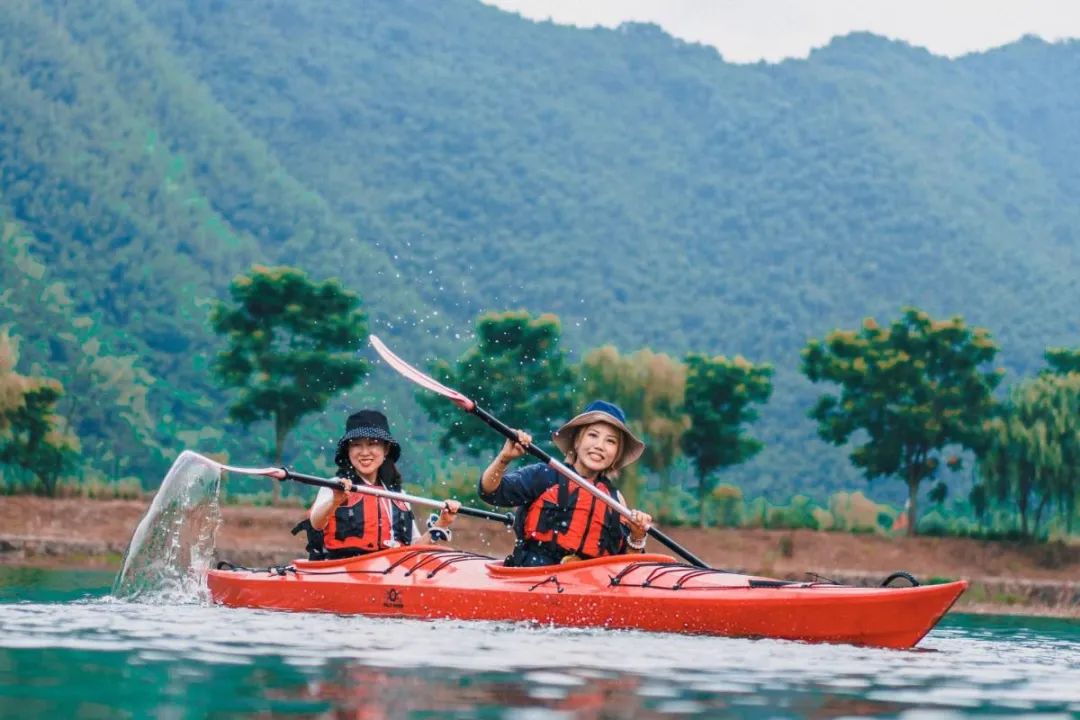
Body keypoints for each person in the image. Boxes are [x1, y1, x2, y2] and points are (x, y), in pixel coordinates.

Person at [479, 400, 653, 567]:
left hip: (588, 589)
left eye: (611, 441)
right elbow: (490, 492)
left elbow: (625, 567)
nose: (600, 446)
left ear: (616, 454)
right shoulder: (545, 475)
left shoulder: (616, 500)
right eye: (593, 435)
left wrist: (637, 537)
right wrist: (504, 458)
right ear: (577, 442)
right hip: (534, 579)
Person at [305, 409, 459, 559]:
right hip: (343, 572)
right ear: (348, 451)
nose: (364, 452)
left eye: (372, 444)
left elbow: (413, 550)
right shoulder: (334, 486)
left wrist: (441, 524)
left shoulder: (398, 495)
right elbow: (316, 523)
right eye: (356, 445)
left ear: (386, 449)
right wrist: (335, 501)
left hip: (388, 576)